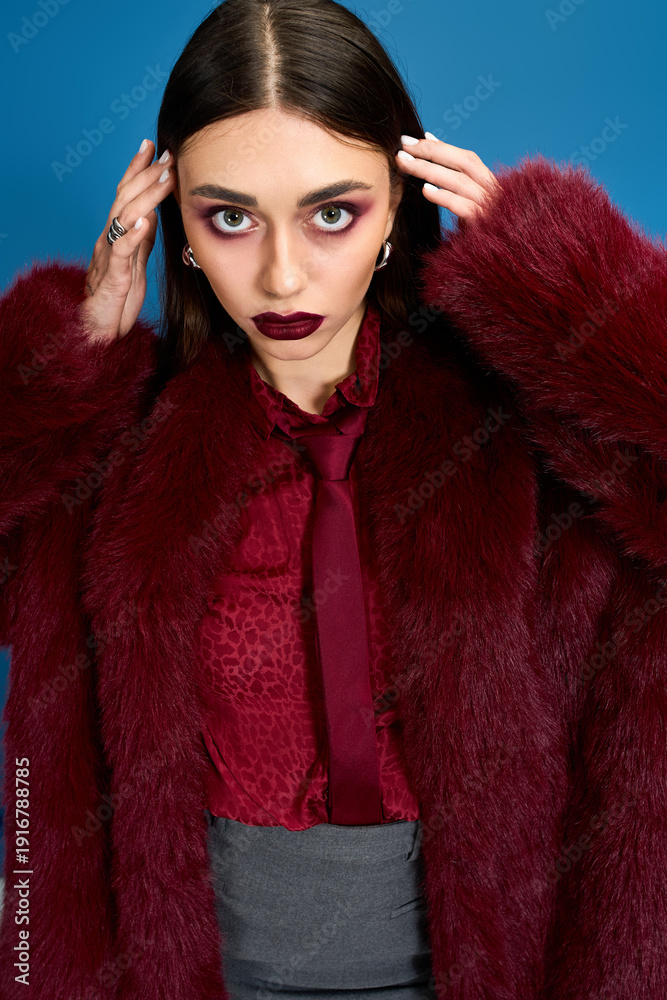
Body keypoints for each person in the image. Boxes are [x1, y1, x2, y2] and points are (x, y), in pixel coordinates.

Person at [0, 0, 665, 997]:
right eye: (230, 217)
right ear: (178, 229)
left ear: (395, 209)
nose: (281, 274)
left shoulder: (523, 430)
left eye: (332, 213)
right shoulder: (114, 445)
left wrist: (569, 290)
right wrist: (61, 368)